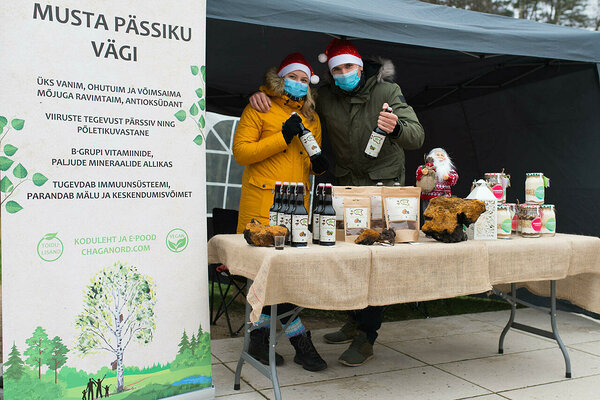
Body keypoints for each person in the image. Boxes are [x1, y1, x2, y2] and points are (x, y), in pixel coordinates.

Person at [249, 39, 425, 367]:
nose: (344, 73)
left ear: (360, 67)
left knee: (375, 261)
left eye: (349, 67)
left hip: (383, 186)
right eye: (337, 69)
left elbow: (416, 135)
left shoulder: (386, 92)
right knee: (349, 261)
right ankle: (355, 320)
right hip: (347, 188)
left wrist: (396, 127)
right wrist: (259, 94)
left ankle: (366, 336)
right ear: (330, 74)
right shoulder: (326, 98)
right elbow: (292, 102)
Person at [233, 52, 329, 372]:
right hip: (261, 206)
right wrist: (282, 136)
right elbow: (242, 153)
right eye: (294, 78)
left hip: (295, 208)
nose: (299, 84)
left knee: (286, 277)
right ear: (281, 78)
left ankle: (260, 341)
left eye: (305, 80)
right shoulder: (259, 106)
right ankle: (300, 342)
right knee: (264, 277)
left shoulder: (312, 118)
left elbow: (306, 160)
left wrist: (317, 167)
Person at [417, 147, 458, 212]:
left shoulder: (449, 170)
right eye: (437, 155)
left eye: (442, 155)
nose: (440, 157)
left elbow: (455, 178)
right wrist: (423, 172)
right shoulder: (426, 167)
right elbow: (418, 174)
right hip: (428, 196)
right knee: (428, 214)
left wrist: (449, 177)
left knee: (442, 214)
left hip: (443, 197)